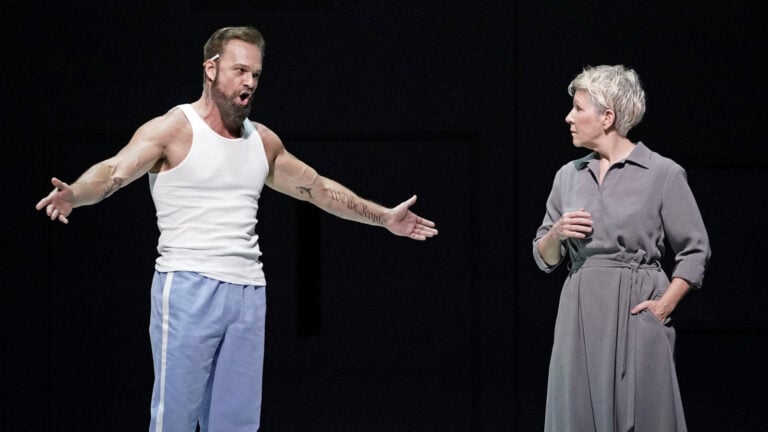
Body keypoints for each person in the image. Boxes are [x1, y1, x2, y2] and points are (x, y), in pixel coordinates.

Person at [36, 26, 438, 432]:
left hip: (248, 291)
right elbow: (113, 172)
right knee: (174, 419)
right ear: (210, 69)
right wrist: (76, 194)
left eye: (256, 75)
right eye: (240, 70)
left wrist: (384, 217)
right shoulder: (174, 129)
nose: (249, 83)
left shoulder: (262, 141)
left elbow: (319, 189)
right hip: (189, 285)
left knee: (236, 425)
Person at [532, 65, 710, 432]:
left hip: (636, 311)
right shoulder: (568, 175)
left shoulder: (662, 173)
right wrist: (557, 233)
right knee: (575, 414)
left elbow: (695, 251)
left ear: (607, 116)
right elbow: (545, 258)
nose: (569, 117)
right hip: (579, 312)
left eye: (578, 108)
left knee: (643, 415)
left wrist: (664, 306)